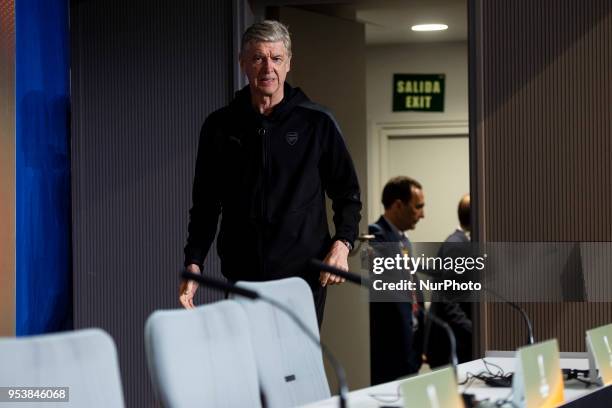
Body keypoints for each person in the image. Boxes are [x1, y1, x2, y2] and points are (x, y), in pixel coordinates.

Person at [179, 20, 361, 326]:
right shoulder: (220, 127)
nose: (268, 68)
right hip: (243, 277)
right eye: (258, 58)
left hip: (303, 277)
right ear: (243, 63)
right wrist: (194, 262)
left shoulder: (316, 123)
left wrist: (342, 244)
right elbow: (206, 204)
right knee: (248, 366)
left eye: (276, 58)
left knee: (296, 368)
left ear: (288, 64)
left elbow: (348, 195)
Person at [368, 176, 425, 385]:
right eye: (418, 207)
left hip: (410, 347)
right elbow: (393, 299)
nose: (423, 215)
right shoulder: (376, 238)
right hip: (391, 350)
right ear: (398, 205)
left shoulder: (404, 241)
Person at [426, 194, 473, 368]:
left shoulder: (462, 243)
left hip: (455, 340)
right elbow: (449, 300)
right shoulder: (457, 246)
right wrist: (475, 331)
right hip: (450, 344)